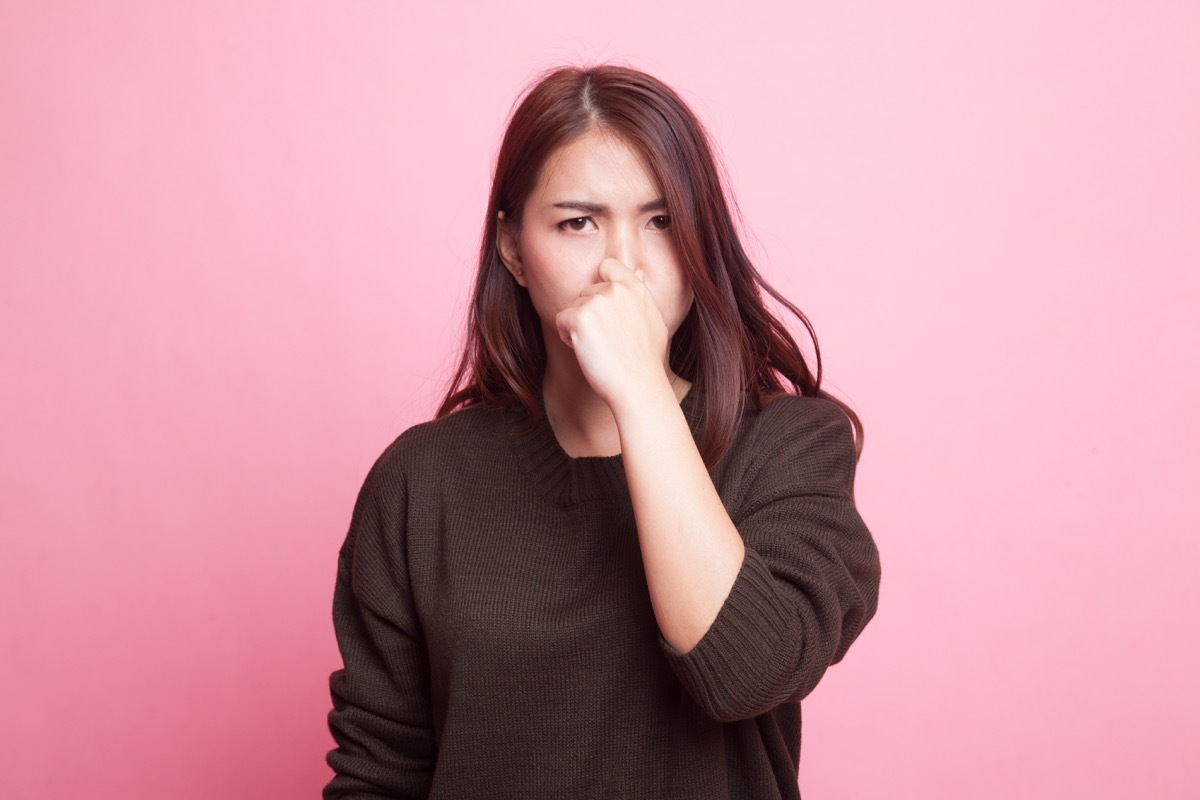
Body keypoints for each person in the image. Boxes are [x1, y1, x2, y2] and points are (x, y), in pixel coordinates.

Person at [323, 64, 881, 800]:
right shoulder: (421, 482)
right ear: (514, 248)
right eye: (577, 222)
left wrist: (641, 391)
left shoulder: (789, 448)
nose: (624, 266)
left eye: (662, 222)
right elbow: (379, 772)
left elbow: (744, 671)